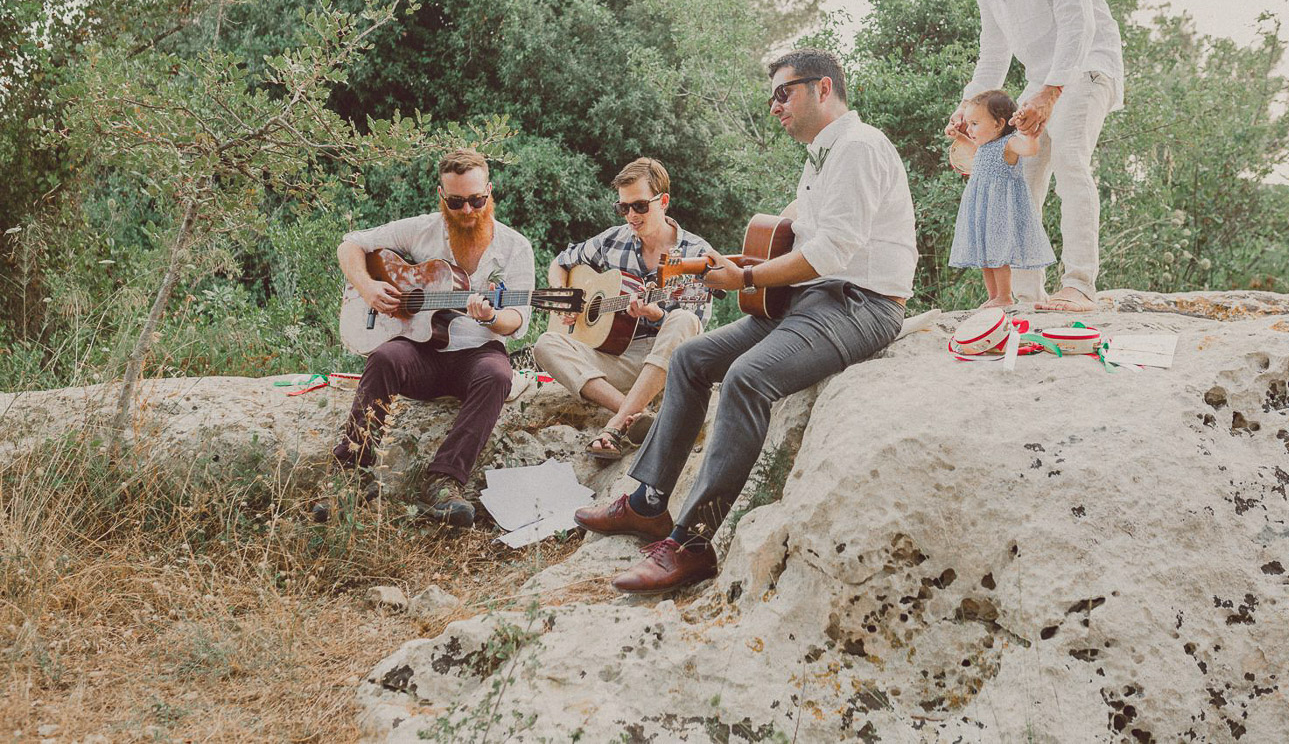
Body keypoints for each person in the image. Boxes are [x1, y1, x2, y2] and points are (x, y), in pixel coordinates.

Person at [573, 48, 917, 595]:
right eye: (771, 96)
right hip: (809, 299)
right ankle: (647, 503)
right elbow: (797, 236)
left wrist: (749, 282)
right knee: (690, 357)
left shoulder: (859, 147)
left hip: (862, 303)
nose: (774, 105)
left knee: (747, 378)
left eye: (785, 93)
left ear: (823, 89)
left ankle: (693, 542)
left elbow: (835, 250)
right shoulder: (820, 157)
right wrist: (740, 266)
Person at [313, 148, 535, 527]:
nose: (468, 211)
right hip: (421, 352)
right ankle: (353, 472)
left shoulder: (515, 247)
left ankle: (444, 481)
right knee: (384, 358)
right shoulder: (420, 229)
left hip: (477, 354)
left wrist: (493, 317)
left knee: (499, 375)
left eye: (477, 200)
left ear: (490, 192)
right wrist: (368, 288)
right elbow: (349, 244)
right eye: (457, 201)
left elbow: (518, 318)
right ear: (441, 196)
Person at [936, 0, 1124, 313]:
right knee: (1018, 179)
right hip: (1040, 81)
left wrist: (1052, 92)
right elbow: (993, 52)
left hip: (1086, 67)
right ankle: (1026, 295)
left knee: (1070, 161)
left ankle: (1079, 284)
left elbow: (1078, 22)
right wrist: (968, 108)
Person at [533, 158, 714, 461]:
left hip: (666, 363)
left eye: (640, 206)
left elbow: (694, 328)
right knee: (545, 344)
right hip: (616, 360)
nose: (631, 215)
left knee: (682, 318)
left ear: (663, 201)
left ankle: (615, 425)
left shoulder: (696, 253)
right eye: (623, 207)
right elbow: (561, 261)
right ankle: (636, 413)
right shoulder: (613, 240)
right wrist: (566, 297)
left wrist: (657, 315)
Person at [948, 90, 1055, 308]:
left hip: (999, 210)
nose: (969, 129)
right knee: (985, 256)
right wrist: (958, 136)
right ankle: (993, 296)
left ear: (998, 124)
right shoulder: (984, 147)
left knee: (998, 254)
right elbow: (971, 149)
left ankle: (1005, 296)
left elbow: (1030, 150)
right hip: (981, 209)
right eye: (968, 124)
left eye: (975, 124)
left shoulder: (1009, 143)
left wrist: (1031, 137)